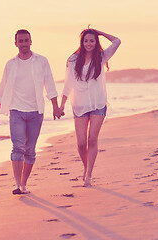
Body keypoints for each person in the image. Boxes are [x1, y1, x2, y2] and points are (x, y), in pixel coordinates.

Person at [0, 29, 62, 195]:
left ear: (31, 42)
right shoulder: (10, 64)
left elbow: (50, 85)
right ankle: (17, 185)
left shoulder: (41, 61)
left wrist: (55, 106)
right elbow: (2, 88)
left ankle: (24, 185)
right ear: (15, 43)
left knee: (30, 150)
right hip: (16, 110)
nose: (23, 44)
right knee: (18, 148)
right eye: (20, 41)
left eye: (26, 40)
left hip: (36, 111)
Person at [60, 28, 121, 187]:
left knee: (92, 138)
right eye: (86, 40)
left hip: (98, 104)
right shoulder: (73, 60)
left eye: (92, 40)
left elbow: (117, 41)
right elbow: (68, 84)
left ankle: (88, 175)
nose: (89, 43)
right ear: (82, 42)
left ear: (96, 42)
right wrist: (62, 104)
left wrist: (99, 32)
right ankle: (86, 167)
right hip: (79, 105)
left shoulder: (101, 57)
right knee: (81, 143)